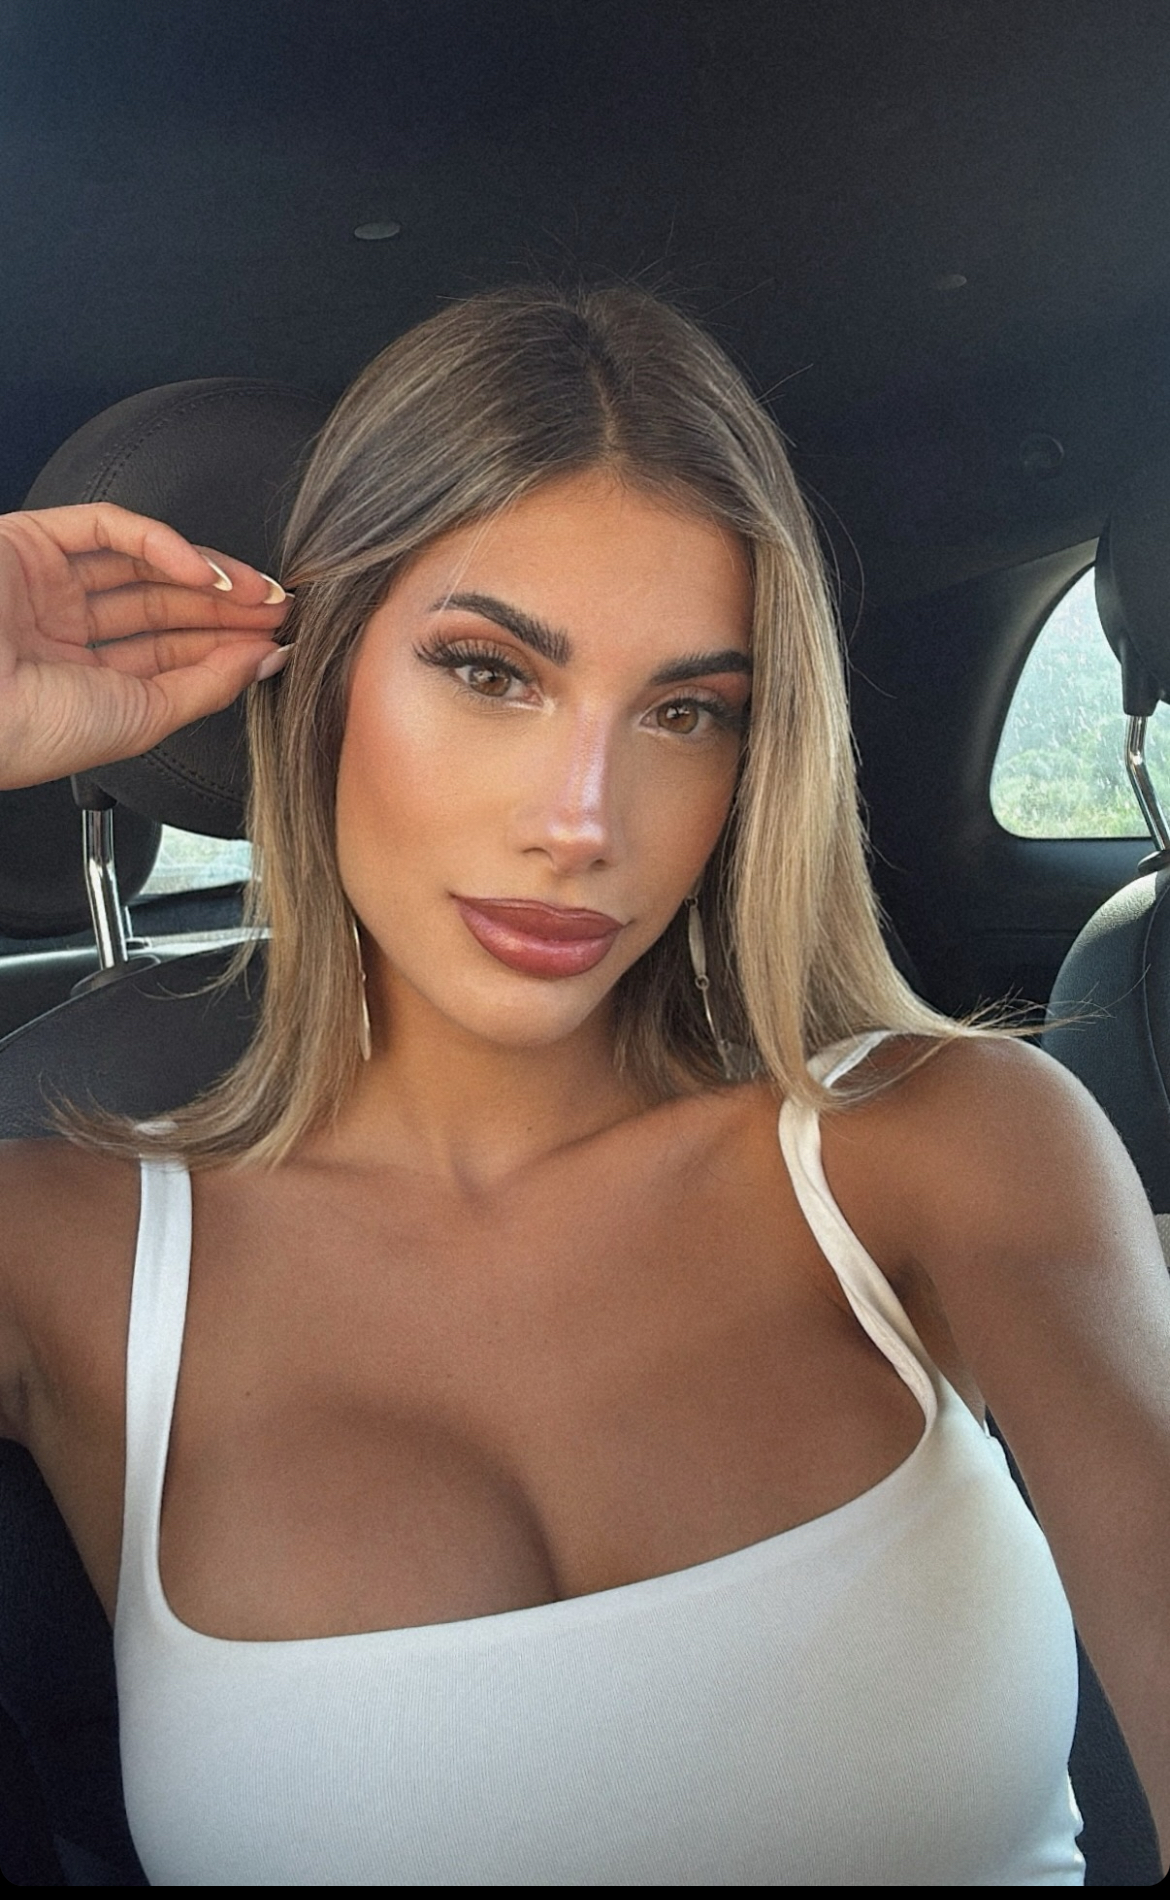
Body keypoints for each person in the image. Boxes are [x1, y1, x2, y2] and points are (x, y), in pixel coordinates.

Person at [0, 284, 1166, 1886]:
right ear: (317, 676)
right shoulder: (64, 1253)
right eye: (490, 672)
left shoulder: (944, 1142)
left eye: (685, 711)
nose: (583, 819)